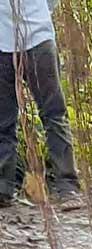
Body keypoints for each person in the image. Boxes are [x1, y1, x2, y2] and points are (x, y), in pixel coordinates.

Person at [0, 0, 80, 209]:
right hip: (1, 43)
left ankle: (67, 186)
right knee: (3, 121)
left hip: (38, 38)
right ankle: (4, 188)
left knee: (54, 113)